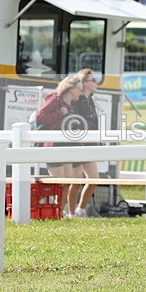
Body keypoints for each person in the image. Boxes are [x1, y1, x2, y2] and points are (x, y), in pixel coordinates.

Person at [33, 75, 83, 215]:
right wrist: (59, 113)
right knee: (58, 183)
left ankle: (58, 213)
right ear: (71, 89)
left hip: (66, 146)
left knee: (66, 183)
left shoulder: (70, 104)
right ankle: (43, 209)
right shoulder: (55, 100)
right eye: (79, 89)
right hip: (54, 146)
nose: (81, 92)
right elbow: (40, 116)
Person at [67, 69, 100, 217]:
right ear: (85, 84)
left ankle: (80, 209)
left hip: (90, 145)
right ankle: (70, 212)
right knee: (76, 181)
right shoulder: (78, 101)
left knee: (93, 179)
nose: (96, 83)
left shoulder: (90, 100)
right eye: (93, 80)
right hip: (79, 145)